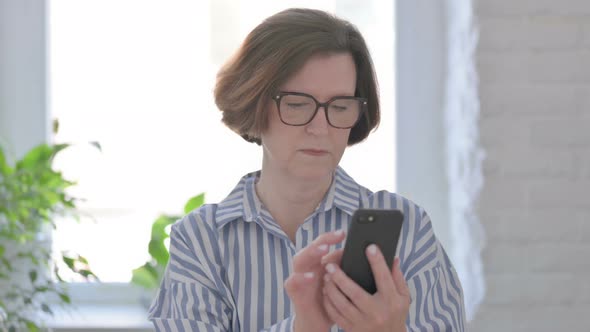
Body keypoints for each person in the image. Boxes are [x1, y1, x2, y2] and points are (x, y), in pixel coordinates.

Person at [148, 8, 465, 332]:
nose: (320, 127)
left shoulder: (408, 230)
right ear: (253, 103)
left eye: (340, 107)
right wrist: (304, 326)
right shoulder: (201, 240)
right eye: (298, 104)